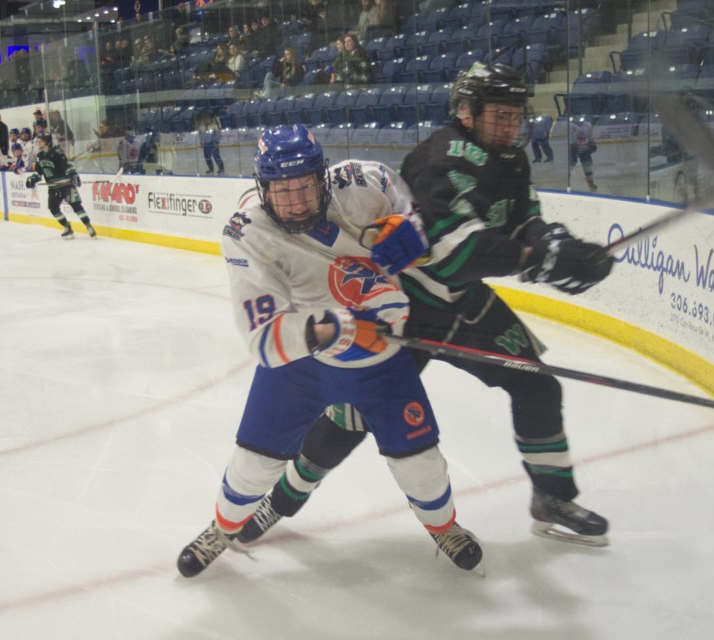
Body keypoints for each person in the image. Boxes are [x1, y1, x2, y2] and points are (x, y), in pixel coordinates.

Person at [240, 63, 614, 548]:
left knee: (537, 386)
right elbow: (457, 255)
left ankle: (552, 496)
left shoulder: (510, 161)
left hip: (465, 305)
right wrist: (537, 258)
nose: (509, 126)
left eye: (515, 116)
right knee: (351, 418)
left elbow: (526, 223)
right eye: (498, 115)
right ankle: (282, 500)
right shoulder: (439, 160)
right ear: (465, 111)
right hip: (406, 309)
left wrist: (562, 246)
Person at [176, 124, 483, 578]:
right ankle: (221, 530)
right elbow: (262, 339)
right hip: (303, 363)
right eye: (283, 191)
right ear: (263, 188)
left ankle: (445, 527)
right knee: (254, 463)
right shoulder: (248, 231)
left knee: (421, 463)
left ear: (323, 176)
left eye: (305, 186)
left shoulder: (364, 181)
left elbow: (420, 211)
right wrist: (339, 326)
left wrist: (413, 229)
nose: (297, 201)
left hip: (382, 357)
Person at [24, 133, 97, 240]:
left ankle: (88, 226)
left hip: (66, 185)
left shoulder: (56, 152)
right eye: (38, 141)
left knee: (76, 206)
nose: (38, 143)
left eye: (41, 141)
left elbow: (66, 166)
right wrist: (32, 179)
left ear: (47, 141)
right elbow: (39, 173)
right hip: (53, 188)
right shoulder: (39, 156)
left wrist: (73, 175)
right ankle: (67, 227)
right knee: (53, 209)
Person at [570, 116, 598, 192]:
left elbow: (590, 137)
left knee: (588, 168)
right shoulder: (570, 125)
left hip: (585, 150)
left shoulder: (587, 125)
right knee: (570, 167)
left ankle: (591, 184)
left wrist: (592, 145)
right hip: (573, 150)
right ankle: (566, 184)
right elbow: (570, 139)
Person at [196, 111, 224, 175]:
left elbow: (218, 134)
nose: (206, 120)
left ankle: (221, 168)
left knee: (216, 156)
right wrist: (201, 142)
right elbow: (200, 135)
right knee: (207, 157)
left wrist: (216, 142)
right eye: (204, 119)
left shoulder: (214, 126)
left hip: (213, 143)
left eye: (207, 119)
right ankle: (211, 168)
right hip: (206, 144)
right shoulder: (201, 127)